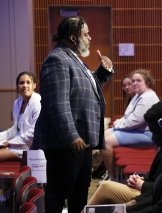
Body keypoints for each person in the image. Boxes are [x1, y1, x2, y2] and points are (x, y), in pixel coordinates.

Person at [31, 16, 115, 213]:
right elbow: (57, 103)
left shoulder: (74, 58)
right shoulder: (57, 59)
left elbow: (85, 91)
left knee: (79, 193)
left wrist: (104, 71)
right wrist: (71, 135)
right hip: (66, 143)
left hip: (81, 141)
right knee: (58, 195)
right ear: (73, 37)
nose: (90, 38)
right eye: (86, 34)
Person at [85, 101, 162, 210]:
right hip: (148, 193)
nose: (153, 138)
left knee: (106, 187)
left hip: (151, 197)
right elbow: (155, 177)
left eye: (154, 132)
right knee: (105, 187)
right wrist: (141, 179)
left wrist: (141, 186)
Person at [101, 69, 159, 179]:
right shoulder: (139, 95)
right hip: (137, 130)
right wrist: (119, 123)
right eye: (133, 81)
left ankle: (113, 177)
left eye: (138, 80)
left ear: (147, 82)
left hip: (147, 134)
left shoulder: (148, 96)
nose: (134, 83)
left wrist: (118, 125)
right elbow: (128, 116)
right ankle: (112, 173)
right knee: (104, 134)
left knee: (105, 142)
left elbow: (136, 121)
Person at [0, 71, 41, 161]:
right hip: (17, 143)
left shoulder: (38, 102)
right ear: (17, 87)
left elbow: (34, 133)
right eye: (21, 83)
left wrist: (9, 143)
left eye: (28, 82)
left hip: (29, 147)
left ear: (34, 85)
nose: (25, 86)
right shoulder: (17, 102)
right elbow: (14, 130)